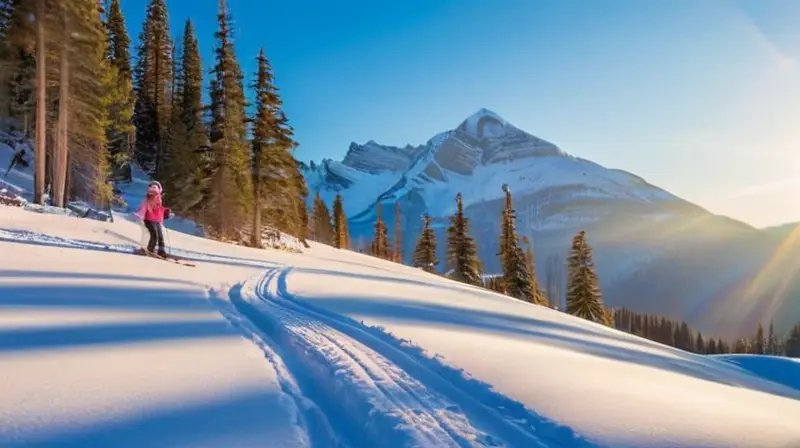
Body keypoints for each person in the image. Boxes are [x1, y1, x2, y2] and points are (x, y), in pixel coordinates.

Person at [134, 181, 171, 257]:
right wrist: (141, 215)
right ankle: (150, 249)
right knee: (154, 235)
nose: (152, 189)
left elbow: (158, 209)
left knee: (160, 236)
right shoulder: (149, 198)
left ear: (159, 189)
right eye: (151, 187)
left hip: (157, 220)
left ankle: (161, 250)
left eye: (155, 187)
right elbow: (145, 207)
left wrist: (166, 211)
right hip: (149, 220)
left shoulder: (159, 198)